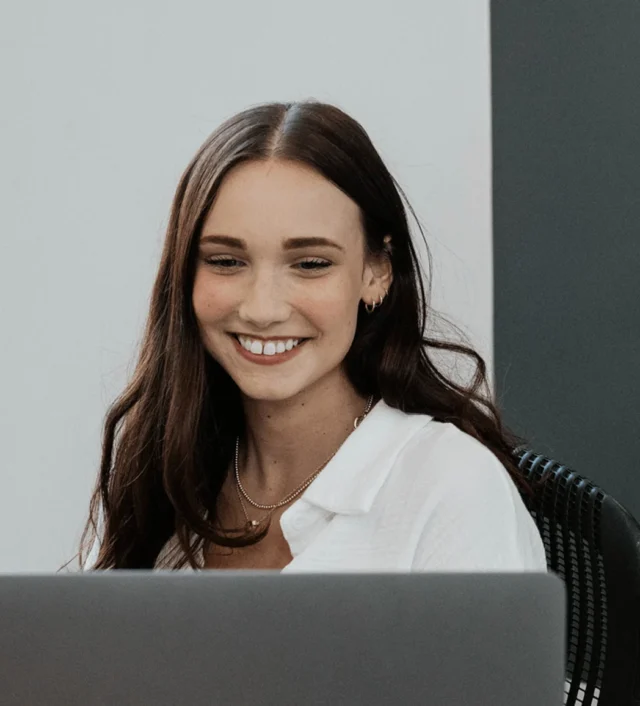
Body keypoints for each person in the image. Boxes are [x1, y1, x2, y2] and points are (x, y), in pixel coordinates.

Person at [80, 101, 547, 573]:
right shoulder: (161, 477)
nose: (263, 310)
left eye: (310, 264)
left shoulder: (452, 489)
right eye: (226, 261)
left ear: (377, 272)